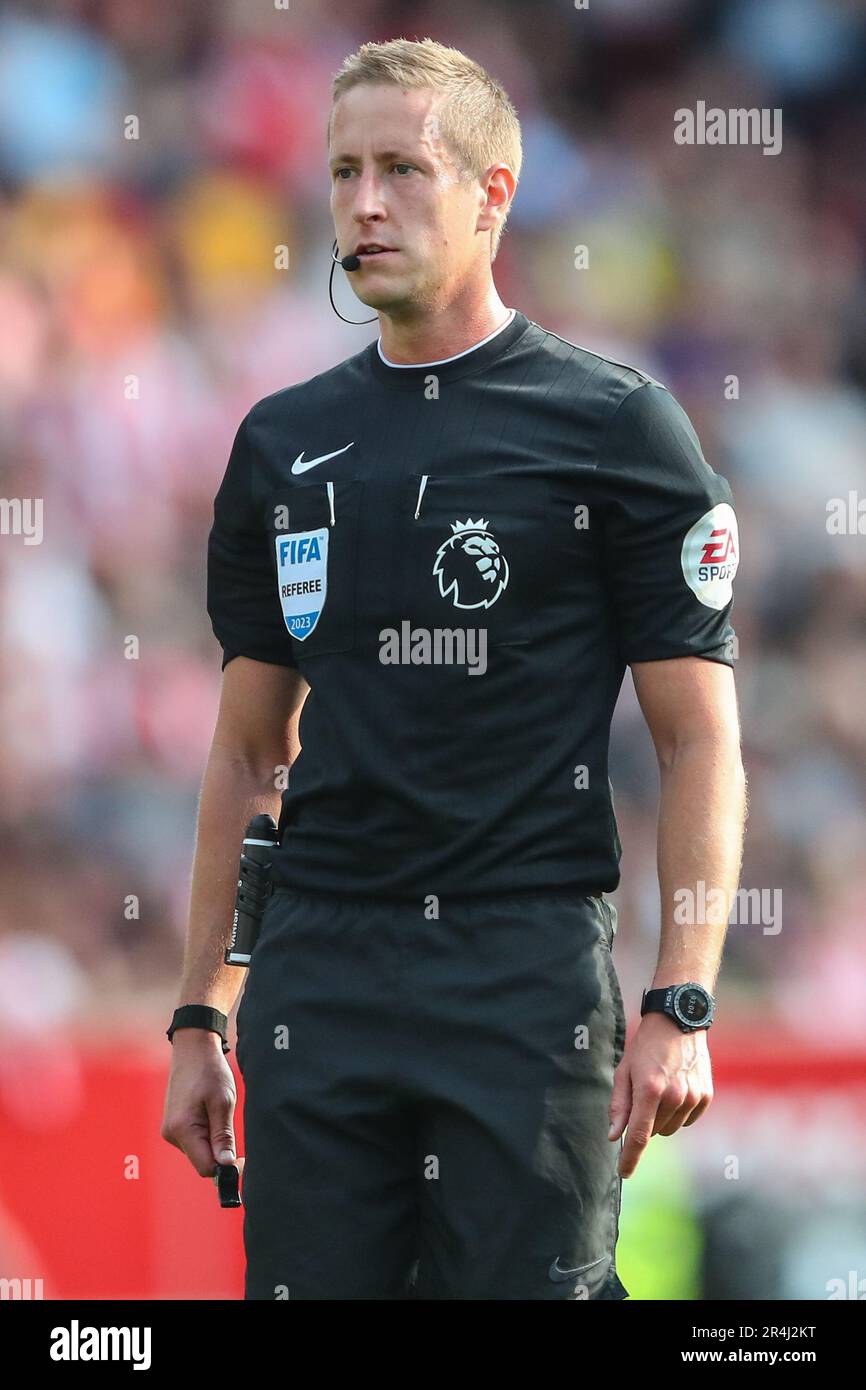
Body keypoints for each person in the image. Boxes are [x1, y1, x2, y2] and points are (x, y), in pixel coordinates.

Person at [161, 37, 746, 1301]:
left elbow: (698, 738)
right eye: (342, 173)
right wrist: (202, 1012)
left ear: (492, 194)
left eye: (403, 170)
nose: (364, 204)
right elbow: (251, 750)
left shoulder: (613, 429)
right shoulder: (283, 444)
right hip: (318, 972)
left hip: (521, 976)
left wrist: (680, 996)